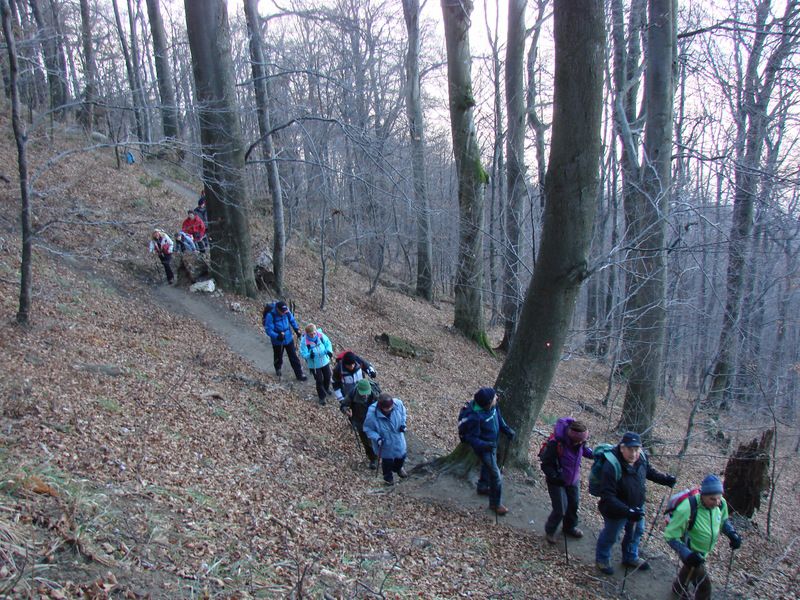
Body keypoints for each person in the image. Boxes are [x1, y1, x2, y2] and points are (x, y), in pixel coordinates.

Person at [594, 431, 677, 575]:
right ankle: (602, 559)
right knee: (611, 534)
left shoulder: (641, 458)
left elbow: (648, 472)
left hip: (637, 505)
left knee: (637, 531)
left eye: (637, 449)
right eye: (630, 449)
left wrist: (665, 480)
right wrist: (627, 511)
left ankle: (630, 556)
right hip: (616, 509)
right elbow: (607, 496)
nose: (634, 453)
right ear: (622, 448)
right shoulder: (611, 465)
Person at [664, 475, 742, 600]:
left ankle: (678, 588)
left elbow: (723, 521)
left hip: (702, 552)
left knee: (689, 569)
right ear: (703, 495)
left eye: (719, 498)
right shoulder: (688, 507)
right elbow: (670, 536)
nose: (717, 502)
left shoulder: (721, 504)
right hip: (690, 551)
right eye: (712, 499)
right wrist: (687, 554)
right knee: (704, 586)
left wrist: (732, 534)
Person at [459, 387, 516, 516]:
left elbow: (499, 420)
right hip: (485, 448)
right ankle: (495, 504)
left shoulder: (493, 407)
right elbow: (471, 438)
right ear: (488, 402)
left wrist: (507, 430)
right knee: (496, 475)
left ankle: (483, 486)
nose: (497, 398)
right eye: (494, 397)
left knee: (488, 465)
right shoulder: (475, 416)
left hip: (492, 444)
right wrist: (485, 445)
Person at [540, 418, 593, 543]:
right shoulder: (556, 444)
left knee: (573, 504)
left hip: (573, 479)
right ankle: (550, 530)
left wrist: (597, 454)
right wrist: (555, 477)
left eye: (583, 441)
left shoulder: (580, 443)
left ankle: (569, 527)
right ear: (572, 437)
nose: (581, 443)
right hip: (557, 481)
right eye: (579, 441)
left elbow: (584, 451)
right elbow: (546, 464)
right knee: (560, 509)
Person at [363, 394, 407, 485]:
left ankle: (398, 468)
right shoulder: (372, 414)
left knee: (402, 456)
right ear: (381, 407)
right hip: (384, 442)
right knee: (387, 461)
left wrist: (403, 424)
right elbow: (368, 429)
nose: (390, 409)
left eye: (391, 407)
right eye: (387, 408)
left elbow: (403, 414)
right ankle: (388, 478)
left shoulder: (398, 404)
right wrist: (377, 438)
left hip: (398, 438)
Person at [341, 378, 380, 469]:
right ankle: (373, 459)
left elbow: (382, 405)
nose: (365, 395)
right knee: (366, 442)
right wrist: (347, 411)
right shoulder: (353, 393)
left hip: (374, 419)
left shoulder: (375, 393)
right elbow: (343, 405)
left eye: (367, 392)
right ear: (358, 390)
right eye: (363, 393)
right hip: (360, 421)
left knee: (378, 437)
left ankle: (383, 455)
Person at [263, 301, 307, 381]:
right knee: (278, 356)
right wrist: (277, 336)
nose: (284, 313)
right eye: (282, 312)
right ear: (277, 309)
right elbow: (268, 330)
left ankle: (299, 374)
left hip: (288, 337)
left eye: (285, 311)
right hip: (277, 341)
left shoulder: (286, 311)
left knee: (293, 356)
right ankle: (278, 369)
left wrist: (296, 329)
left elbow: (292, 320)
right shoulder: (271, 315)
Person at [298, 323, 333, 405]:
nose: (313, 335)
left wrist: (329, 351)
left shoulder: (321, 335)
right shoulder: (304, 341)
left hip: (324, 360)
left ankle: (326, 388)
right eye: (311, 334)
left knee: (328, 376)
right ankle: (322, 397)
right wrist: (309, 355)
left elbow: (328, 343)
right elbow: (303, 353)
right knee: (319, 380)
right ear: (307, 334)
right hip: (314, 364)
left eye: (314, 333)